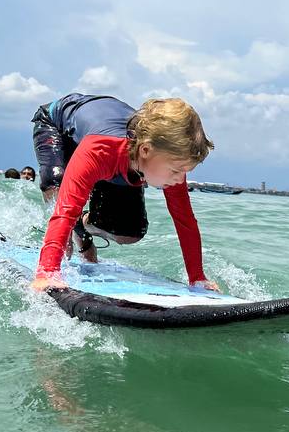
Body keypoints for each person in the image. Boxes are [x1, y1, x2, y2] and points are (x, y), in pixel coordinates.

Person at [30, 94, 218, 292]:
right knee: (58, 197)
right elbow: (65, 209)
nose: (181, 179)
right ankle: (76, 238)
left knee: (129, 234)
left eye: (185, 171)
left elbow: (185, 220)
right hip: (58, 127)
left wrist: (197, 278)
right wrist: (47, 273)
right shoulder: (100, 151)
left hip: (118, 152)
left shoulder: (169, 161)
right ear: (145, 150)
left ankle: (83, 225)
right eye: (176, 171)